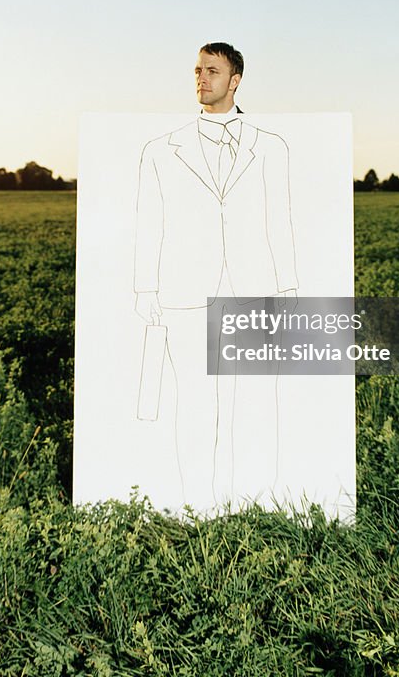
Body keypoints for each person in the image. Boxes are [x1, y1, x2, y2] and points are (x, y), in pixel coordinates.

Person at [132, 42, 297, 508]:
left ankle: (258, 502)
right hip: (185, 292)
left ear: (236, 79)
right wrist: (146, 286)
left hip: (254, 288)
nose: (201, 79)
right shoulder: (161, 151)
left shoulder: (271, 147)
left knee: (258, 401)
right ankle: (197, 508)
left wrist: (286, 288)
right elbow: (149, 220)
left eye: (212, 70)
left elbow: (278, 220)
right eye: (197, 71)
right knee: (196, 403)